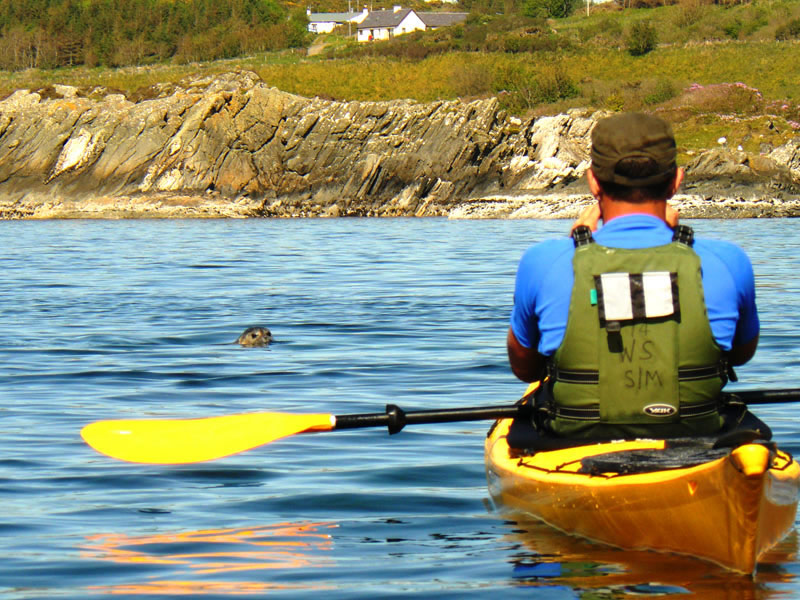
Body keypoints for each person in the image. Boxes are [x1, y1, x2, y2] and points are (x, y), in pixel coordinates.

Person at [507, 112, 760, 440]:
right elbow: (740, 355)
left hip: (575, 444)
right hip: (695, 444)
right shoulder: (729, 261)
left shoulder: (543, 262)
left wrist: (577, 248)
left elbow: (524, 368)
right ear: (676, 181)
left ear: (593, 181)